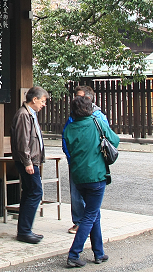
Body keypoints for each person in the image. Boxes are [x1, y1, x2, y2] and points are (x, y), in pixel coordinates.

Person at [63, 96, 120, 267]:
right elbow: (115, 140)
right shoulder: (97, 123)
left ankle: (99, 253)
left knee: (94, 213)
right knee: (90, 215)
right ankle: (74, 254)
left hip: (78, 176)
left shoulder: (69, 128)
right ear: (89, 108)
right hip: (96, 175)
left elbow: (69, 149)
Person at [63, 85, 109, 235]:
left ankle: (87, 227)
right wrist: (70, 156)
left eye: (81, 97)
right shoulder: (73, 116)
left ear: (89, 98)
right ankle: (79, 221)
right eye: (76, 97)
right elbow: (66, 138)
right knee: (76, 194)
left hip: (93, 162)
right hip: (76, 161)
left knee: (91, 197)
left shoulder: (98, 116)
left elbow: (109, 139)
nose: (78, 100)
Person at [10, 86, 49, 244]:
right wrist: (28, 162)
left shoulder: (30, 114)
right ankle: (25, 231)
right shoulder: (24, 115)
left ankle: (25, 230)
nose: (43, 104)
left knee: (29, 192)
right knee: (35, 192)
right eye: (42, 101)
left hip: (32, 161)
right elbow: (23, 141)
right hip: (28, 161)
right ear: (34, 99)